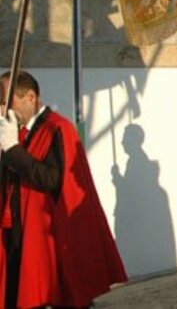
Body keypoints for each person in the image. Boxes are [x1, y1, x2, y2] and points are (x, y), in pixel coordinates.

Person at [0, 71, 127, 307]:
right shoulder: (16, 131)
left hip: (49, 234)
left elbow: (51, 179)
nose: (3, 109)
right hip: (17, 230)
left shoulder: (57, 128)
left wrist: (13, 150)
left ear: (30, 97)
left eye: (7, 101)